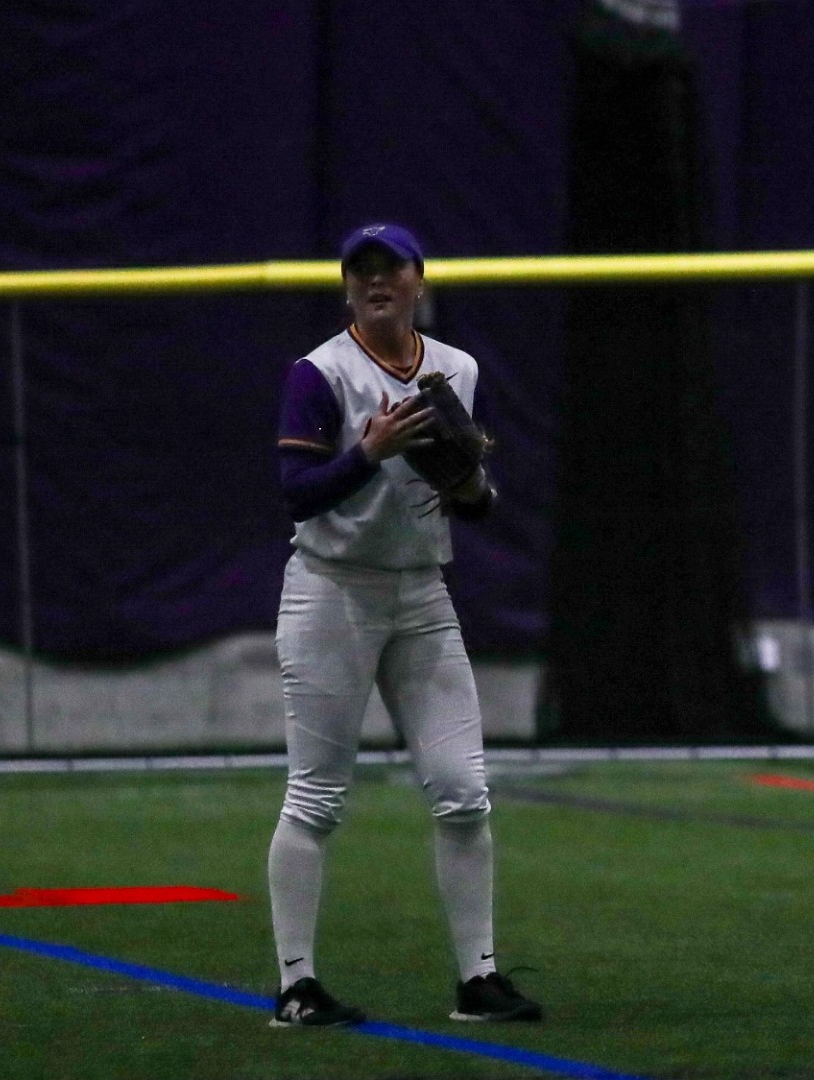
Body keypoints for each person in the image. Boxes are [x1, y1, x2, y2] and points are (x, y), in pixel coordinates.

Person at [266, 223, 540, 1027]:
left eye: (391, 268)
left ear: (420, 280)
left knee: (464, 792)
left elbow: (473, 501)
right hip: (331, 587)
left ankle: (478, 979)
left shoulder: (459, 368)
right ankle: (296, 986)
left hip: (420, 592)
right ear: (347, 286)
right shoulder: (321, 372)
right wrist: (369, 452)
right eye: (362, 270)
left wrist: (470, 484)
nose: (377, 280)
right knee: (316, 796)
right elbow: (296, 492)